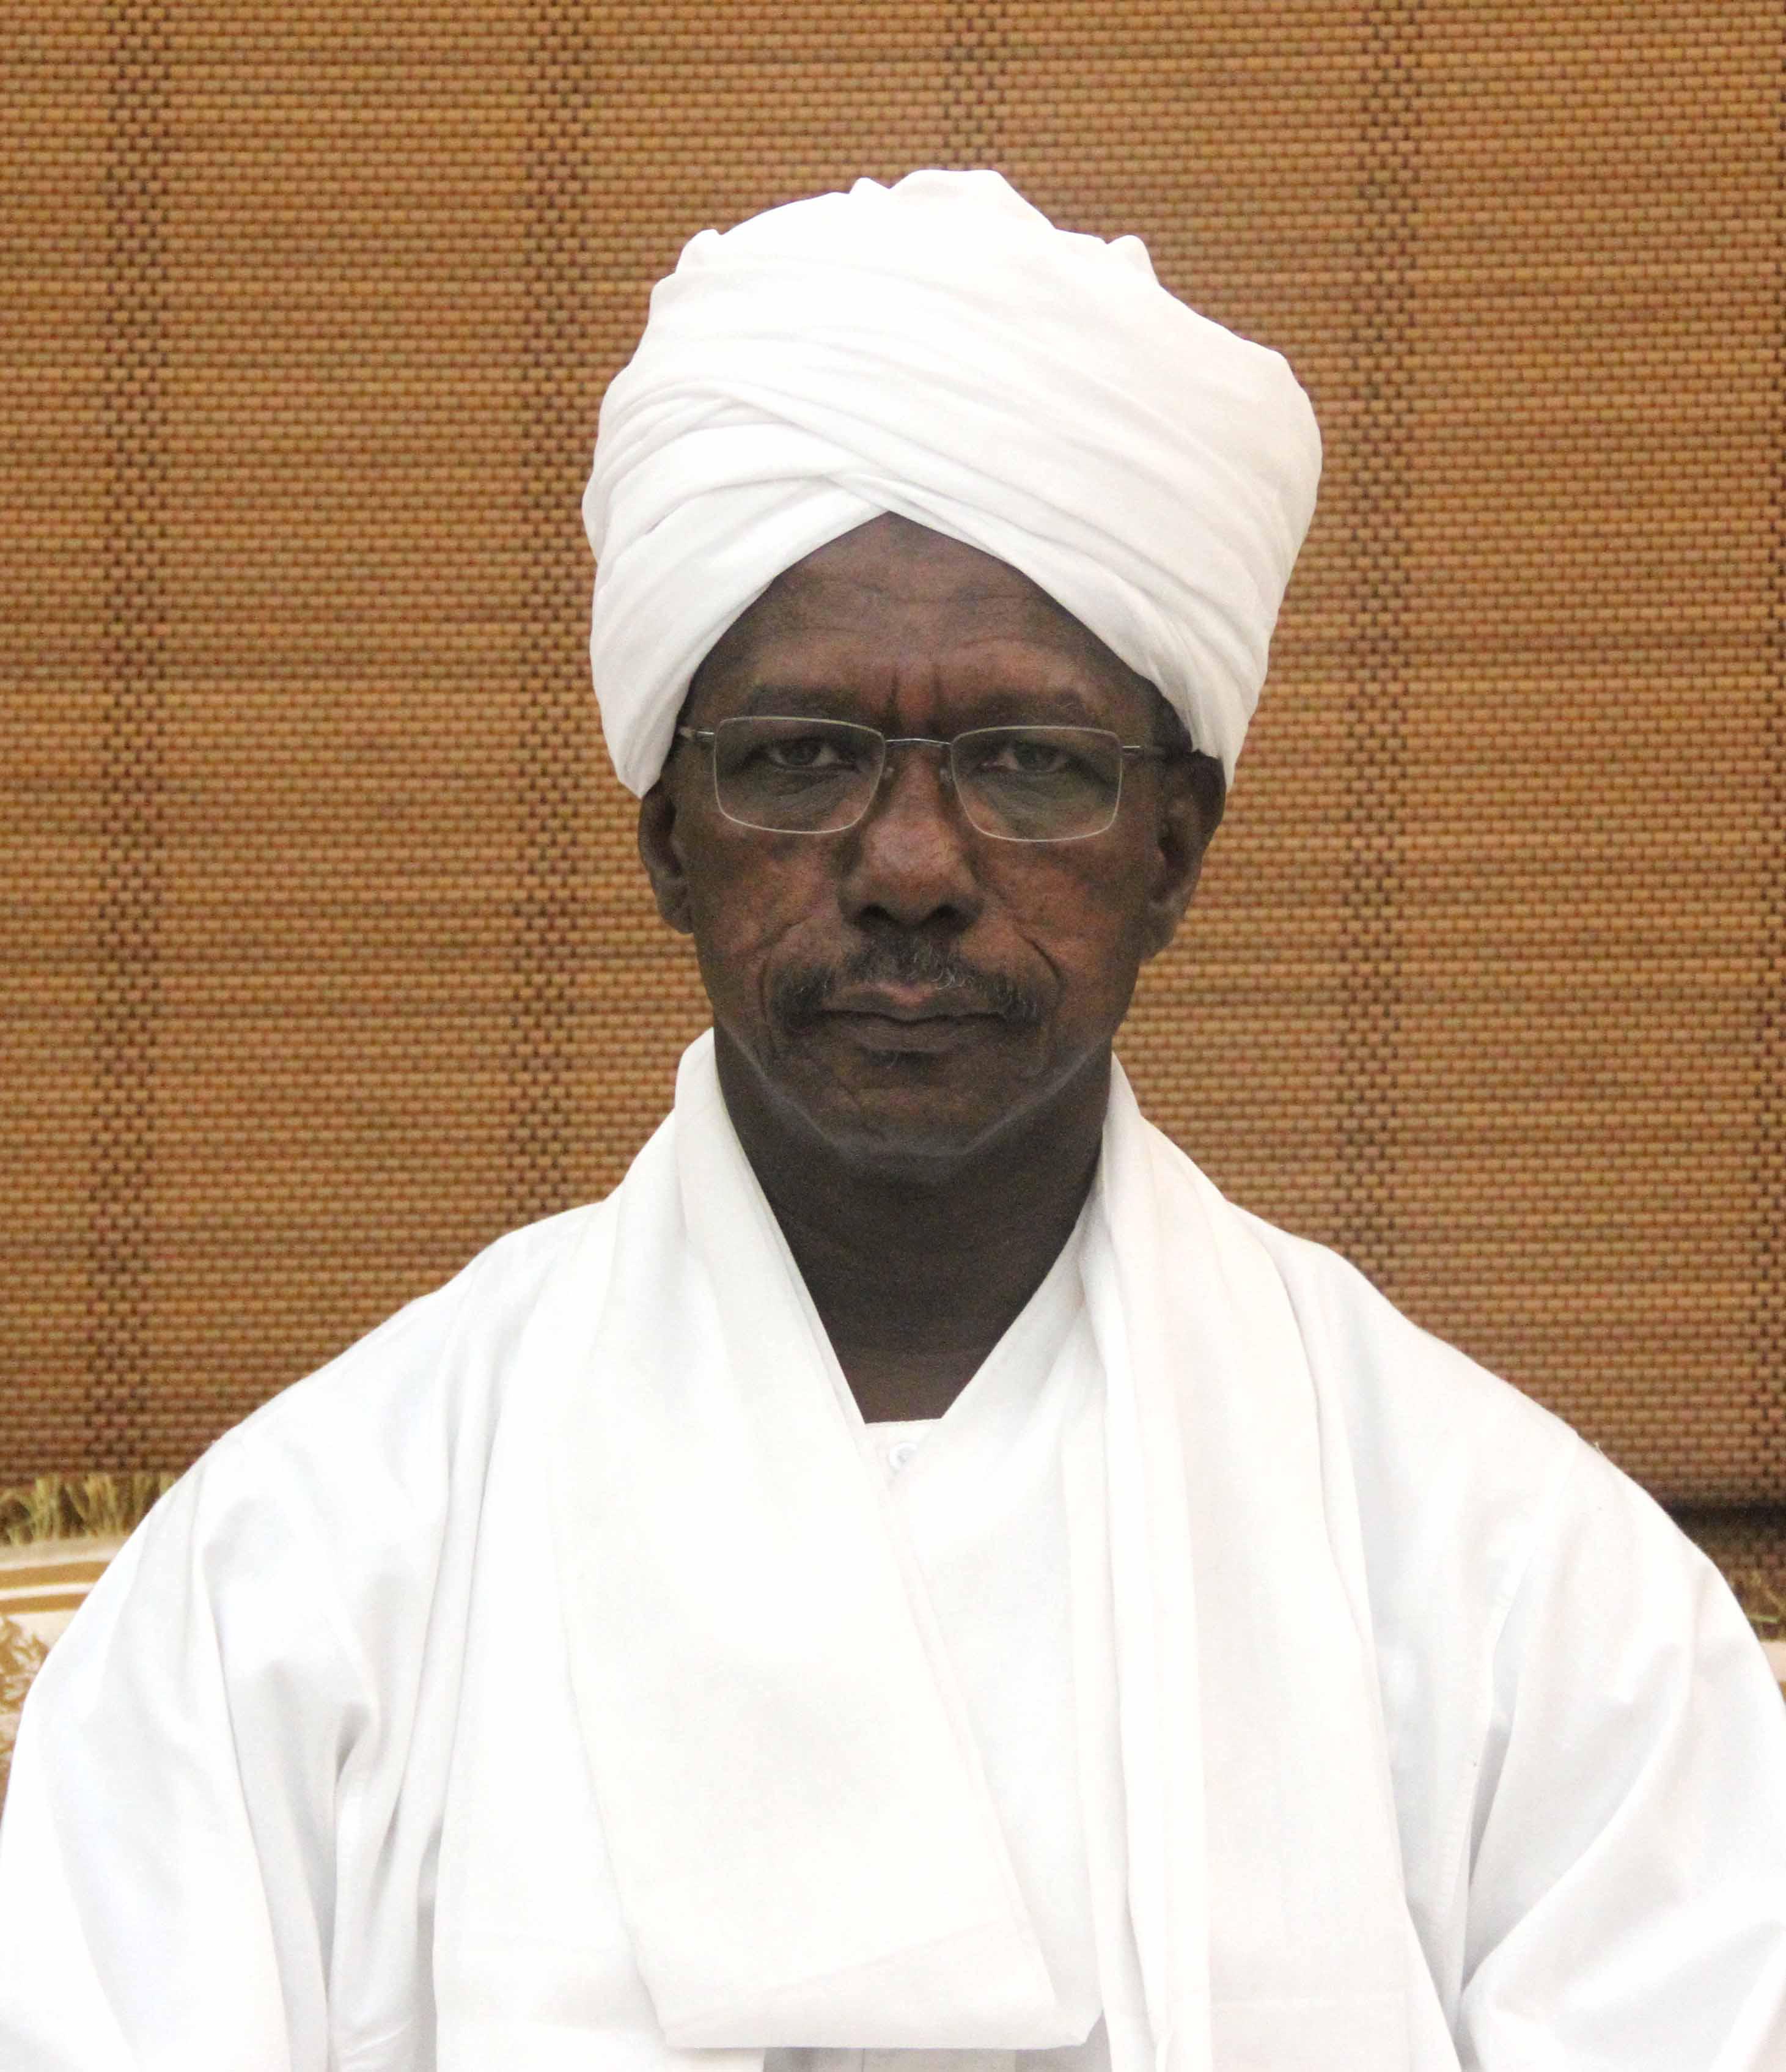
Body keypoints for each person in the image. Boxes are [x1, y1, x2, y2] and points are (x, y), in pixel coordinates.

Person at [1, 169, 1782, 2072]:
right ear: (664, 837)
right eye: (800, 759)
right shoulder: (301, 1571)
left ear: (1174, 847)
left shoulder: (1522, 1591)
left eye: (1028, 763)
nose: (911, 866)